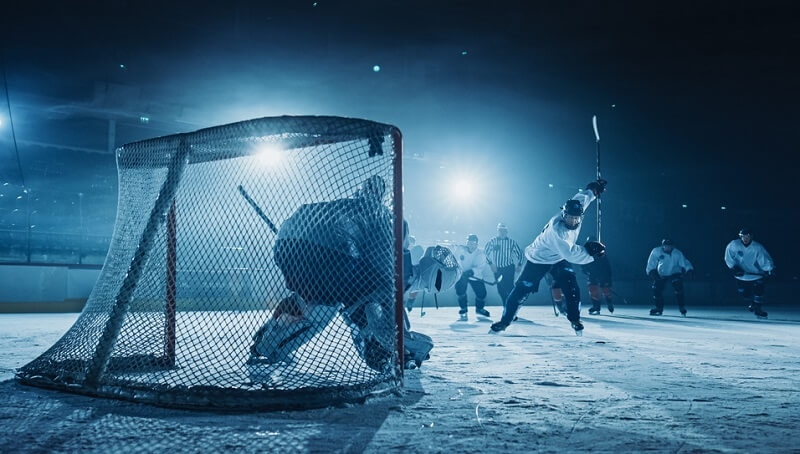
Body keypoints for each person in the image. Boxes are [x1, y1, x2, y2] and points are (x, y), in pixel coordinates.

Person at [248, 176, 456, 372]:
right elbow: (376, 299)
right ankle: (268, 348)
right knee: (322, 311)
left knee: (310, 301)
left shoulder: (352, 209)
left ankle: (268, 338)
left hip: (287, 243)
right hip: (332, 255)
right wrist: (397, 347)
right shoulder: (390, 227)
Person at [490, 179, 608, 335]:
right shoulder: (558, 231)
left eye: (576, 218)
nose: (572, 221)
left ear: (581, 216)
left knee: (571, 286)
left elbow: (582, 198)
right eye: (569, 218)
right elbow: (571, 253)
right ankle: (504, 322)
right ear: (563, 214)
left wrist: (593, 191)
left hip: (557, 258)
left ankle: (575, 319)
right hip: (537, 259)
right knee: (521, 290)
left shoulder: (576, 210)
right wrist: (591, 252)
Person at [724, 228, 774, 318]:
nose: (745, 239)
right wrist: (734, 267)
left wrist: (769, 268)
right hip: (741, 275)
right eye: (743, 236)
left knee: (759, 291)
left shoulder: (757, 247)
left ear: (751, 237)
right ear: (740, 237)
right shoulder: (734, 245)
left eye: (747, 236)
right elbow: (729, 257)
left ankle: (758, 309)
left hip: (756, 274)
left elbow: (764, 259)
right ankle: (752, 303)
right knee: (745, 294)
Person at [645, 238, 694, 316]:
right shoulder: (656, 251)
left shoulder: (677, 253)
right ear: (662, 246)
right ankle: (659, 308)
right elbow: (651, 262)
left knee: (678, 287)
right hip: (662, 273)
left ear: (673, 246)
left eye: (669, 246)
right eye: (665, 246)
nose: (667, 248)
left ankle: (682, 307)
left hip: (675, 273)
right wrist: (651, 272)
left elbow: (684, 262)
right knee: (656, 289)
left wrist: (689, 270)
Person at [453, 234, 494, 320]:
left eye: (473, 244)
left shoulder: (481, 254)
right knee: (460, 291)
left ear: (476, 244)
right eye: (469, 243)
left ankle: (479, 308)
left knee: (482, 294)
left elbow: (479, 267)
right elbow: (456, 259)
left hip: (475, 275)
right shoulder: (460, 249)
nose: (471, 246)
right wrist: (460, 271)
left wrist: (471, 271)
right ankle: (463, 308)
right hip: (462, 275)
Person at [483, 223, 524, 307]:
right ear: (497, 231)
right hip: (498, 269)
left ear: (507, 231)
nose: (502, 232)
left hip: (509, 267)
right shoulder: (493, 241)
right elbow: (485, 253)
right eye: (500, 230)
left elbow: (520, 254)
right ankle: (507, 306)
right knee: (500, 289)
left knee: (509, 287)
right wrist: (491, 264)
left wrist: (519, 265)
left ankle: (511, 308)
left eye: (504, 231)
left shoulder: (512, 242)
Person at [582, 236, 615, 315]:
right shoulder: (586, 251)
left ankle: (608, 302)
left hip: (602, 273)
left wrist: (608, 275)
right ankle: (596, 307)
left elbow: (606, 264)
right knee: (593, 289)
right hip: (593, 274)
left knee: (605, 290)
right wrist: (585, 270)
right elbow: (583, 263)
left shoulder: (600, 250)